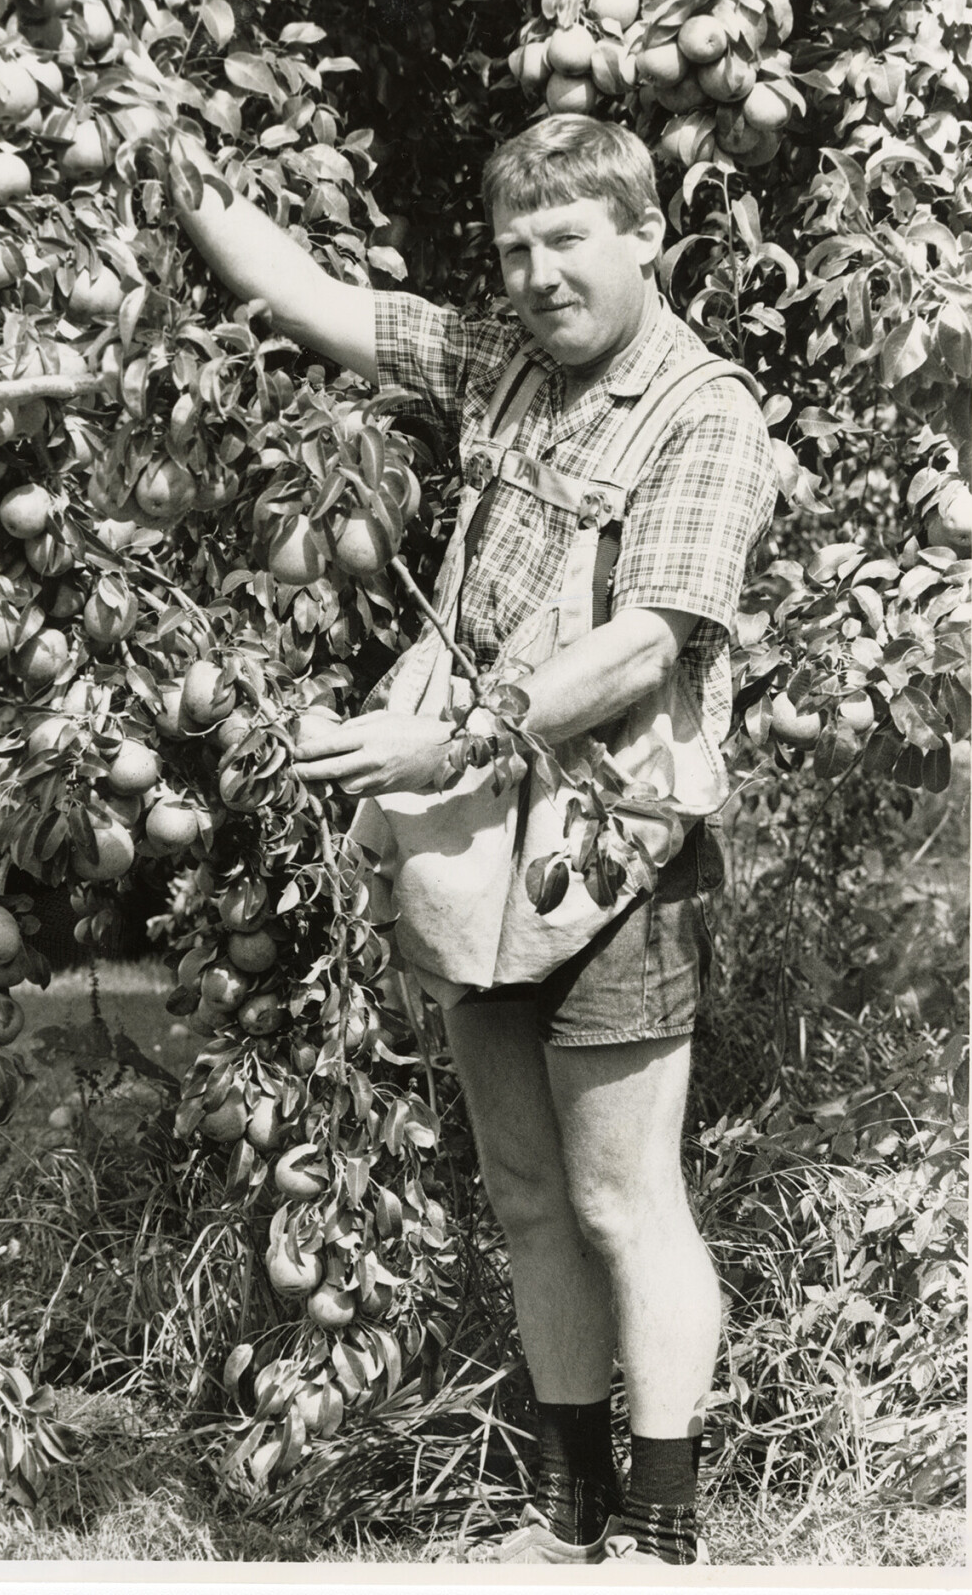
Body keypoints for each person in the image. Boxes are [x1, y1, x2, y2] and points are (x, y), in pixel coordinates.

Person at [178, 114, 777, 1567]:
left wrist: (449, 738)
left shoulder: (705, 413)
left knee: (623, 1199)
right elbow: (305, 293)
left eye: (569, 239)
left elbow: (648, 643)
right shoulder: (497, 359)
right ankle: (568, 1513)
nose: (540, 274)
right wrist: (168, 153)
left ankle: (662, 1527)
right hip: (475, 840)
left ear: (645, 236)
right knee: (523, 1189)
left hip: (614, 846)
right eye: (516, 249)